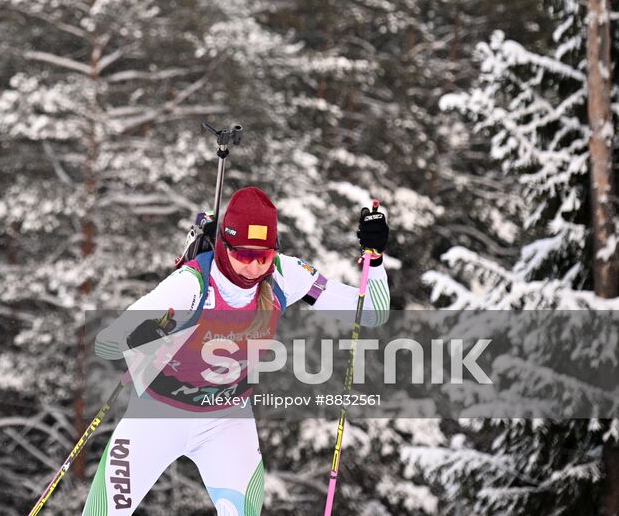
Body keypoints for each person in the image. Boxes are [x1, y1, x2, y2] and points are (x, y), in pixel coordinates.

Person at [80, 186, 391, 515]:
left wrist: (376, 257)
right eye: (243, 254)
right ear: (223, 246)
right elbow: (107, 342)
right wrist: (141, 334)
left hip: (226, 419)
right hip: (157, 414)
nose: (253, 268)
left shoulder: (285, 275)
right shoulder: (190, 284)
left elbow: (372, 312)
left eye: (264, 255)